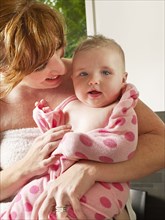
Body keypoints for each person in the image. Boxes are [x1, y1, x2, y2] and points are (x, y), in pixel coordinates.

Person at [0, 0, 164, 220]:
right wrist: (24, 168)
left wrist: (90, 171)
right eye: (39, 65)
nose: (60, 68)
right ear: (5, 67)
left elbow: (161, 142)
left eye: (59, 49)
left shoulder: (87, 76)